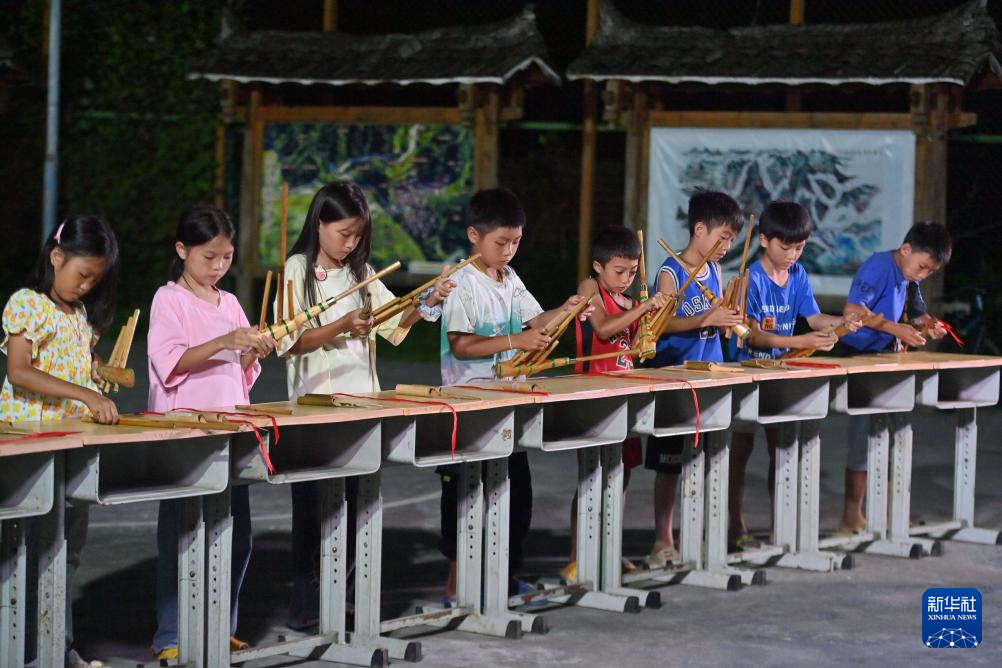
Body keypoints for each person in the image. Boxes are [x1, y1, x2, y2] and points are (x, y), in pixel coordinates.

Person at [277, 181, 454, 629]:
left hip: (362, 405)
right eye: (343, 234)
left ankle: (346, 601)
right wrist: (340, 324)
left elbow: (393, 325)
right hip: (313, 408)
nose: (350, 244)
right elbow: (289, 341)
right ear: (319, 224)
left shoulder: (363, 272)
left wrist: (428, 301)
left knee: (358, 506)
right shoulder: (296, 269)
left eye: (357, 235)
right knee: (313, 510)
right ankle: (307, 607)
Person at [438, 187, 591, 602]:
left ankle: (503, 580)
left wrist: (569, 309)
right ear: (474, 235)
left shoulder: (509, 277)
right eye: (501, 242)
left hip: (509, 403)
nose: (509, 251)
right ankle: (456, 586)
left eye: (516, 242)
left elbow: (536, 320)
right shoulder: (460, 282)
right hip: (468, 406)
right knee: (464, 498)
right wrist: (515, 340)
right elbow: (461, 345)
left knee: (515, 497)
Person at [148, 205, 275, 660]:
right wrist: (224, 341)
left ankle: (220, 626)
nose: (218, 266)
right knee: (181, 534)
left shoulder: (231, 302)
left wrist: (255, 349)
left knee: (235, 534)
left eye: (227, 257)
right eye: (209, 257)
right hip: (185, 431)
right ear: (182, 250)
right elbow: (171, 362)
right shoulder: (169, 299)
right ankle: (171, 636)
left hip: (230, 427)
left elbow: (238, 372)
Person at [3, 215, 120, 668]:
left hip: (71, 444)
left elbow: (79, 366)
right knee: (28, 551)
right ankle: (23, 651)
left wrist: (98, 375)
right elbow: (19, 370)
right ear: (56, 256)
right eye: (82, 274)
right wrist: (85, 394)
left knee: (66, 552)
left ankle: (58, 646)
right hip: (32, 447)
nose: (86, 285)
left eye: (94, 280)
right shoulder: (27, 303)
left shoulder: (80, 315)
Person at [724, 201, 858, 550]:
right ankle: (734, 524)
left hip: (780, 373)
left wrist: (842, 322)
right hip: (745, 371)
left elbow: (814, 318)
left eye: (799, 248)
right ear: (764, 240)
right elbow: (753, 337)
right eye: (786, 247)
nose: (792, 255)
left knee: (781, 447)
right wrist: (802, 341)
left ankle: (780, 528)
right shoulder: (750, 279)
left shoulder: (797, 275)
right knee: (740, 449)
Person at [644, 189, 745, 567]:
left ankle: (705, 538)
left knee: (708, 460)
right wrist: (706, 318)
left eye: (732, 240)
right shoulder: (670, 271)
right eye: (723, 238)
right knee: (670, 464)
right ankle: (662, 540)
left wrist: (728, 321)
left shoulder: (715, 270)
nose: (727, 247)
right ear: (699, 229)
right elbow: (661, 325)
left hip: (710, 376)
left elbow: (715, 317)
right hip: (676, 377)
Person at [562, 226, 668, 581]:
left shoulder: (632, 302)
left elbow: (635, 349)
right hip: (592, 393)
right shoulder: (589, 289)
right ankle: (577, 555)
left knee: (620, 476)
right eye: (619, 271)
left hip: (624, 392)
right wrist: (645, 308)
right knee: (591, 476)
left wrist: (653, 322)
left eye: (633, 272)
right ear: (598, 266)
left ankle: (610, 548)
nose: (626, 279)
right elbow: (604, 329)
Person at [836, 221, 951, 533]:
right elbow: (852, 309)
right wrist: (893, 328)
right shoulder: (878, 266)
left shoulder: (909, 275)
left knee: (891, 437)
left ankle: (889, 514)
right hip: (858, 357)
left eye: (930, 272)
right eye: (923, 267)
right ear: (906, 249)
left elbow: (917, 313)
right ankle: (851, 517)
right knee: (863, 437)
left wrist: (930, 325)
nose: (923, 275)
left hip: (886, 359)